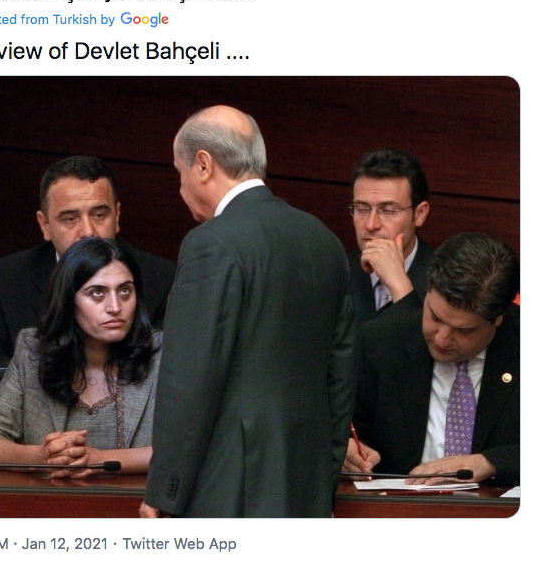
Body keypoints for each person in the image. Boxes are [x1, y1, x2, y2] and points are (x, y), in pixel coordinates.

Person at [141, 105, 356, 518]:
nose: (180, 187)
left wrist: (164, 492)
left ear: (203, 164)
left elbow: (189, 379)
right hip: (305, 485)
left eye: (179, 172)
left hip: (229, 489)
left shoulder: (210, 242)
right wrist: (324, 480)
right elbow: (340, 377)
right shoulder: (324, 240)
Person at [0, 155, 176, 393]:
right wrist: (49, 385)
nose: (88, 232)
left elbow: (166, 368)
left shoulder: (160, 278)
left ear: (117, 216)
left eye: (99, 215)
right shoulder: (8, 277)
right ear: (45, 225)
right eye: (70, 219)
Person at [0, 237, 160, 475]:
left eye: (124, 291)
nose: (115, 307)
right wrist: (42, 457)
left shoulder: (162, 354)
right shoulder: (33, 351)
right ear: (68, 300)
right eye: (97, 293)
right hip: (52, 497)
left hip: (134, 498)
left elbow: (187, 451)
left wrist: (99, 460)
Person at [344, 232, 519, 486]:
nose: (442, 339)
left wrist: (489, 463)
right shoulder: (380, 342)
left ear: (498, 318)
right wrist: (348, 450)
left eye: (464, 331)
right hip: (398, 504)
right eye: (435, 317)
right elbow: (347, 429)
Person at [347, 147, 432, 326]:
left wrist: (399, 285)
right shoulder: (339, 274)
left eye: (388, 210)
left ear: (419, 214)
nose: (371, 225)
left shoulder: (445, 279)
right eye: (362, 209)